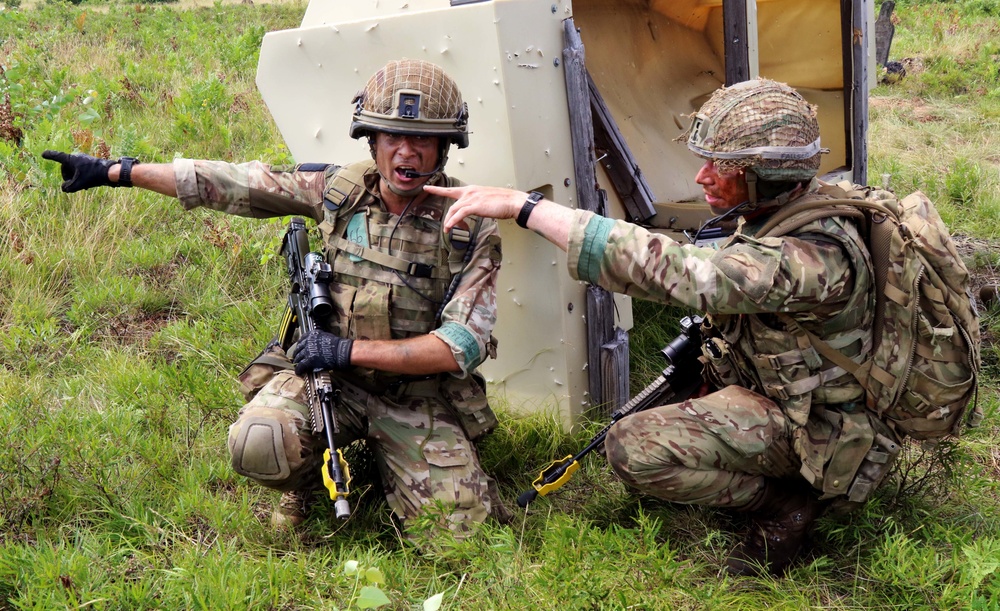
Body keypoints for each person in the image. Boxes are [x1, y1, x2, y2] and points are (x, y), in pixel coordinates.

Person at [427, 78, 898, 575]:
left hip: (820, 429)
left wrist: (528, 209)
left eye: (723, 166)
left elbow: (684, 272)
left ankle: (786, 505)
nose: (702, 177)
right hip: (789, 390)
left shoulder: (814, 258)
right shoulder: (792, 209)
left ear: (767, 175)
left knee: (632, 448)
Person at [42, 59, 507, 540]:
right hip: (332, 383)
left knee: (459, 538)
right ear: (372, 140)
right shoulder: (342, 190)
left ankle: (395, 464)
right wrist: (119, 171)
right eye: (392, 138)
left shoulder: (470, 223)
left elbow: (460, 345)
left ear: (445, 146)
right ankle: (305, 481)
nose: (406, 153)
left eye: (423, 140)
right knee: (260, 441)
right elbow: (234, 183)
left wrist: (346, 349)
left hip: (417, 398)